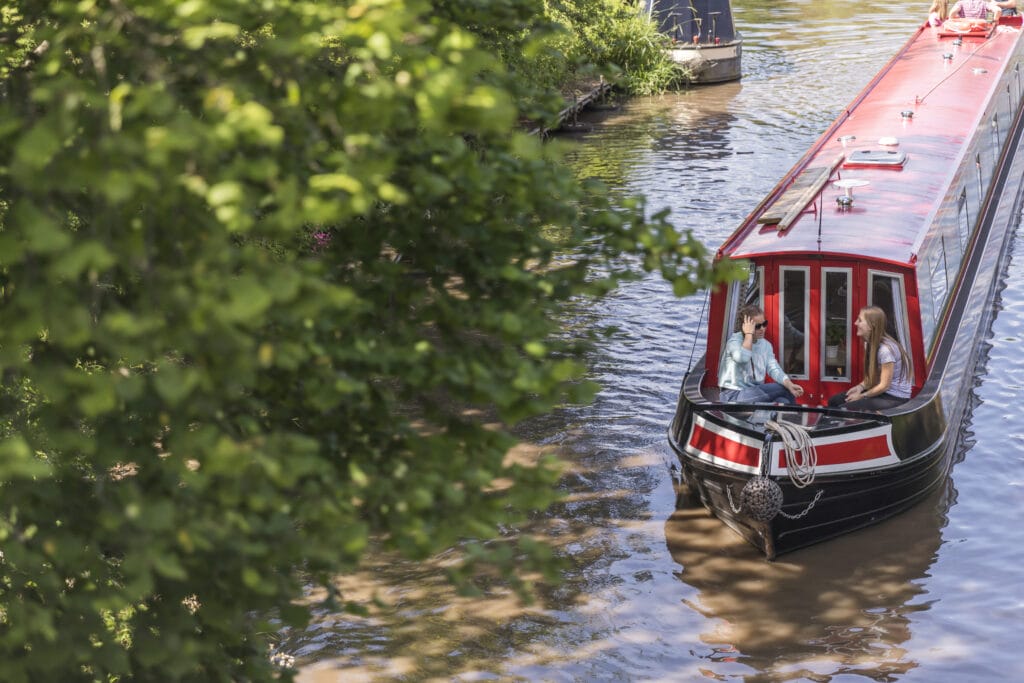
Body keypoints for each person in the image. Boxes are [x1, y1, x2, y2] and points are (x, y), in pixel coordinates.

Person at [828, 306, 912, 411]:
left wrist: (862, 396)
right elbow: (874, 376)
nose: (855, 323)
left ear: (871, 326)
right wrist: (860, 387)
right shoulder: (869, 344)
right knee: (834, 401)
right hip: (881, 392)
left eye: (860, 320)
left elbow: (884, 385)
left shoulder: (885, 350)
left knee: (844, 409)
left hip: (894, 397)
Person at [718, 304, 804, 405]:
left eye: (764, 324)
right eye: (757, 326)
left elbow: (773, 368)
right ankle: (795, 416)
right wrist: (749, 334)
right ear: (746, 327)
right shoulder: (734, 342)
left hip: (754, 392)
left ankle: (781, 419)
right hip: (732, 395)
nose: (762, 329)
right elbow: (743, 358)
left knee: (783, 401)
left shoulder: (765, 345)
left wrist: (789, 384)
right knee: (782, 389)